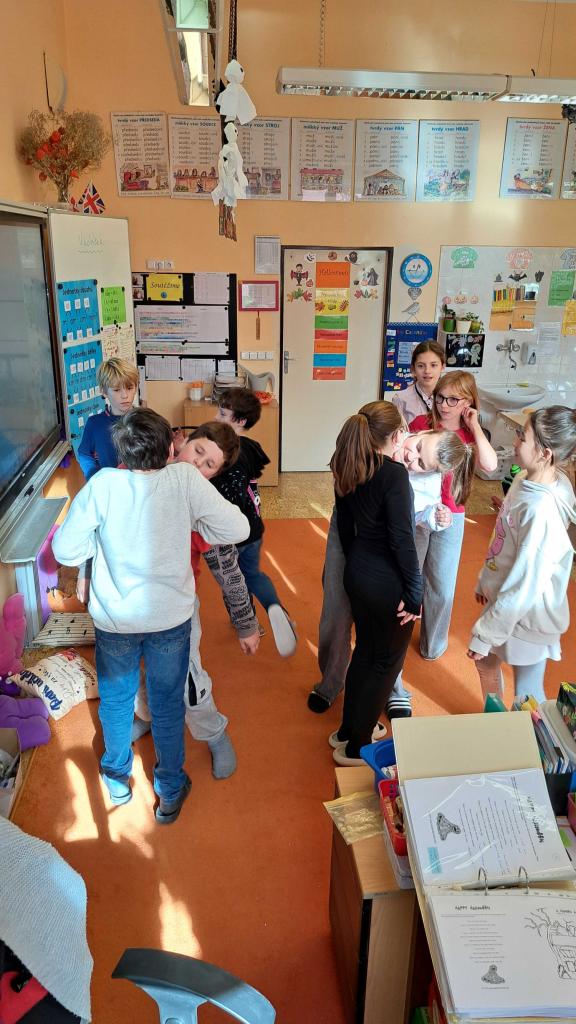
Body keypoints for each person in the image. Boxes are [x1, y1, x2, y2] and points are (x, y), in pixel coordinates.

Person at [52, 409, 249, 825]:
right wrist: (200, 527)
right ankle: (170, 791)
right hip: (169, 620)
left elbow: (66, 550)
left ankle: (117, 779)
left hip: (116, 622)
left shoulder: (104, 483)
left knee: (116, 701)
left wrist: (96, 547)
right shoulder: (184, 480)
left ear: (121, 452)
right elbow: (239, 529)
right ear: (170, 449)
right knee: (167, 704)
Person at [308, 420, 476, 717]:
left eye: (422, 463)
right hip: (351, 527)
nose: (413, 458)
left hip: (388, 542)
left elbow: (413, 522)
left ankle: (391, 688)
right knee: (336, 608)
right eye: (418, 447)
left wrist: (436, 518)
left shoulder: (425, 478)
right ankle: (331, 681)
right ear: (423, 431)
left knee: (390, 617)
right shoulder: (384, 438)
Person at [132, 422, 260, 781]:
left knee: (188, 679)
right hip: (134, 602)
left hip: (178, 608)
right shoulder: (143, 472)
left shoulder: (202, 506)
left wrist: (246, 623)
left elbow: (228, 569)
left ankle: (214, 733)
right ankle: (146, 715)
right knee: (140, 669)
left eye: (208, 465)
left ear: (213, 477)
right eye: (197, 451)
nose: (196, 464)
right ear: (182, 442)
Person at [329, 402, 422, 766]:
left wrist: (358, 566)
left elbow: (346, 529)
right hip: (387, 583)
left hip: (358, 573)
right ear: (396, 436)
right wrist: (414, 591)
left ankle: (348, 730)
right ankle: (358, 746)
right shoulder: (393, 474)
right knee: (385, 663)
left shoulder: (347, 466)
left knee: (365, 652)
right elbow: (402, 539)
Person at [468, 406, 576, 704]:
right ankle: (497, 724)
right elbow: (504, 542)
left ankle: (527, 734)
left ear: (545, 453)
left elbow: (525, 584)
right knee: (486, 663)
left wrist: (486, 634)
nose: (515, 441)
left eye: (523, 437)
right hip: (507, 602)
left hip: (528, 615)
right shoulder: (526, 478)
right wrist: (486, 581)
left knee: (527, 696)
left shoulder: (541, 511)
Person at [409, 370, 497, 661]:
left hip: (453, 515)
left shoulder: (470, 434)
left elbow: (490, 466)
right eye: (439, 398)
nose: (444, 405)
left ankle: (432, 645)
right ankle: (398, 633)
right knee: (410, 576)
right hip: (418, 513)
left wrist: (475, 425)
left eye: (452, 399)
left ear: (468, 402)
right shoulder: (422, 425)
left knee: (442, 585)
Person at [215, 388, 297, 657]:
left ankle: (246, 621)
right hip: (255, 529)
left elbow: (231, 495)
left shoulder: (228, 454)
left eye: (223, 414)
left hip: (232, 532)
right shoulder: (250, 447)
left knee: (231, 579)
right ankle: (275, 607)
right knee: (252, 574)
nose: (216, 417)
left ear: (240, 421)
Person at [76, 357, 138, 479]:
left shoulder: (146, 420)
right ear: (104, 392)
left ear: (136, 388)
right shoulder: (94, 424)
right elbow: (84, 454)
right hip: (107, 486)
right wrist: (94, 476)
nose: (125, 395)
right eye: (116, 390)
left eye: (129, 388)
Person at [389, 340, 446, 423]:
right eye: (421, 366)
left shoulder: (453, 397)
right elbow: (396, 430)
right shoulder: (400, 399)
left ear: (442, 367)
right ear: (413, 369)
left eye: (433, 365)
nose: (427, 371)